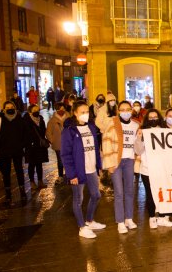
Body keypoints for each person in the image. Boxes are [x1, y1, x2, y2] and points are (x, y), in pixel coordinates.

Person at [61, 101, 106, 239]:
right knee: (78, 199)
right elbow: (65, 154)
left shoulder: (91, 128)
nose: (86, 114)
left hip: (91, 169)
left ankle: (89, 221)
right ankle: (82, 227)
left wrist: (99, 165)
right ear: (75, 113)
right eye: (82, 112)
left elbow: (95, 149)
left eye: (87, 112)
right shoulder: (69, 131)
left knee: (96, 195)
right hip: (78, 171)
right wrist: (71, 174)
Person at [96, 100, 140, 233]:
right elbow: (106, 141)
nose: (125, 112)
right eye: (122, 109)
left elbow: (138, 144)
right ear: (118, 111)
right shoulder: (113, 123)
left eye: (128, 109)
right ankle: (120, 221)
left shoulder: (136, 125)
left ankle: (129, 218)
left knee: (129, 190)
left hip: (130, 161)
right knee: (119, 192)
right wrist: (109, 163)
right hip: (116, 161)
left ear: (132, 110)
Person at [135, 109, 172, 228]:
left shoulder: (165, 131)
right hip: (147, 169)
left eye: (155, 117)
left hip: (163, 169)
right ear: (147, 119)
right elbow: (138, 151)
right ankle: (152, 218)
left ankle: (163, 217)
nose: (153, 119)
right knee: (151, 194)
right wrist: (139, 138)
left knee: (164, 193)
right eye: (151, 117)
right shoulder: (142, 132)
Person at [0, 101, 28, 204]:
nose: (10, 108)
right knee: (6, 173)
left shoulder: (20, 119)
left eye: (11, 107)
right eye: (7, 107)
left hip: (17, 150)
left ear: (15, 108)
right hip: (4, 151)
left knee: (19, 171)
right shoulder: (0, 120)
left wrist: (22, 145)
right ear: (4, 109)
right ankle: (8, 195)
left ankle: (22, 192)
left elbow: (25, 133)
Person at [23, 104, 49, 189]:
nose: (36, 111)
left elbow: (44, 129)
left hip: (40, 145)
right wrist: (29, 142)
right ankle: (32, 182)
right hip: (31, 146)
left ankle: (40, 181)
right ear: (30, 111)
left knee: (39, 164)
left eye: (37, 110)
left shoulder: (40, 118)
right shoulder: (26, 120)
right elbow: (24, 133)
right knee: (32, 164)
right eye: (34, 110)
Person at [46, 103, 67, 184]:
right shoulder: (52, 120)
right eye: (60, 109)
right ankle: (61, 176)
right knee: (60, 160)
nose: (62, 110)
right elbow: (48, 133)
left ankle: (69, 175)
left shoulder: (68, 118)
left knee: (69, 160)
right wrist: (53, 141)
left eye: (63, 109)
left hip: (68, 144)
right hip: (58, 144)